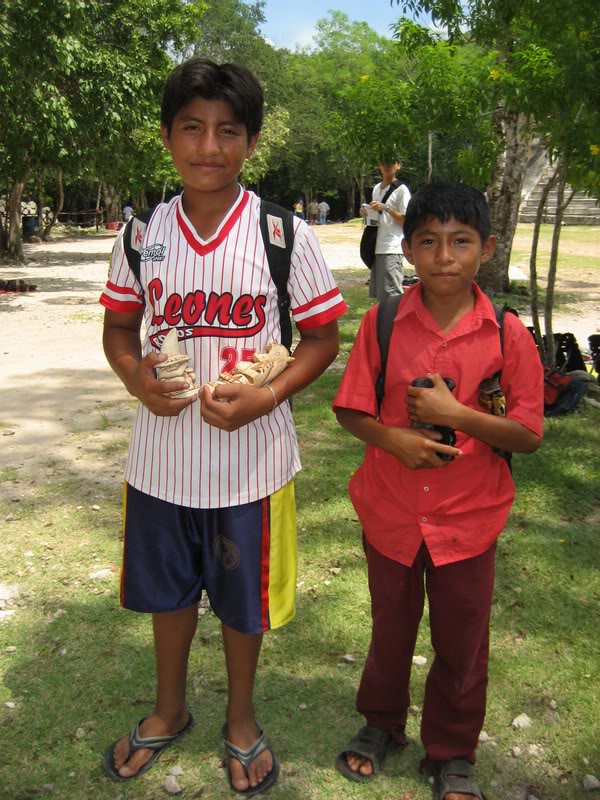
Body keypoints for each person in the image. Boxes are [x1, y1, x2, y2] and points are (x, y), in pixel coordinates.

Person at [100, 57, 347, 796]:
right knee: (168, 596)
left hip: (254, 468)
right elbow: (118, 328)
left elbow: (323, 339)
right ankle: (169, 708)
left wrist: (268, 398)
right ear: (169, 137)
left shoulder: (281, 234)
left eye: (228, 132)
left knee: (244, 604)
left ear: (252, 140)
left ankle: (241, 718)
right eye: (192, 129)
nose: (210, 147)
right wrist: (135, 378)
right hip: (163, 463)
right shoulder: (144, 234)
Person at [333, 182, 543, 800]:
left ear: (487, 248)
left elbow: (527, 433)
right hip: (392, 513)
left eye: (460, 242)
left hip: (469, 520)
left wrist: (458, 415)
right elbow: (349, 411)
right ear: (410, 248)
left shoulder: (507, 335)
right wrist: (394, 440)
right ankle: (381, 725)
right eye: (427, 242)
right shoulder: (385, 321)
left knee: (461, 640)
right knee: (390, 630)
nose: (443, 256)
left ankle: (451, 751)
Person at [361, 159, 410, 301]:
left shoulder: (402, 190)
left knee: (392, 294)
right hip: (376, 246)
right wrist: (366, 211)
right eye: (383, 162)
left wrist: (386, 208)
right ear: (379, 165)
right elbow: (377, 218)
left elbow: (406, 219)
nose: (387, 165)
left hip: (392, 247)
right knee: (380, 295)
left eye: (391, 162)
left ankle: (394, 323)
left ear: (398, 166)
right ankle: (383, 322)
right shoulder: (377, 188)